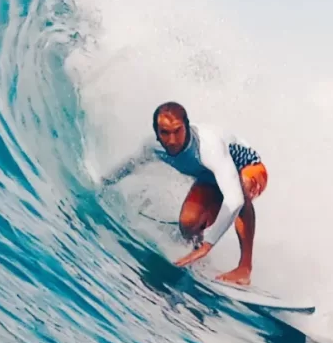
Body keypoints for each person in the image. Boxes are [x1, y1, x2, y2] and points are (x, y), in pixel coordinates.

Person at [107, 101, 269, 286]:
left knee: (241, 188)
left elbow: (234, 200)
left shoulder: (208, 147)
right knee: (188, 223)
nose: (172, 140)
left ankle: (244, 268)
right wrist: (105, 181)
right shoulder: (153, 147)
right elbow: (131, 165)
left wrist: (208, 245)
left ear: (187, 127)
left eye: (178, 131)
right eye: (165, 133)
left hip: (248, 168)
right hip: (210, 179)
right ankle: (197, 255)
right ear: (157, 133)